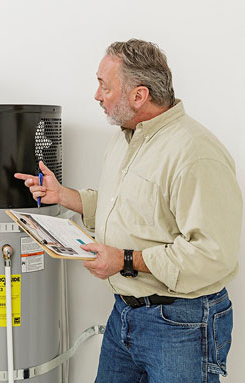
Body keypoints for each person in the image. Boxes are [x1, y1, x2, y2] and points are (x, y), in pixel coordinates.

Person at [15, 39, 242, 382]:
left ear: (139, 95)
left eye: (105, 86)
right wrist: (63, 196)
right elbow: (121, 208)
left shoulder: (195, 153)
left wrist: (123, 260)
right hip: (124, 315)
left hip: (181, 323)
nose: (96, 95)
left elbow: (213, 254)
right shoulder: (125, 138)